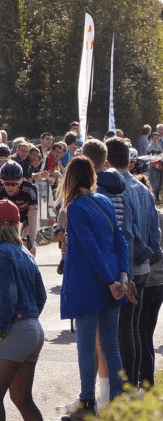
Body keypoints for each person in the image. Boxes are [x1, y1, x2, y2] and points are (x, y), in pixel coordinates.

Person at [58, 155, 128, 421]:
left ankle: (87, 401)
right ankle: (117, 400)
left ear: (70, 179)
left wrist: (110, 281)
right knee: (111, 343)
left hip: (89, 283)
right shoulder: (105, 201)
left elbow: (90, 248)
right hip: (112, 279)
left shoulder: (75, 207)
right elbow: (119, 240)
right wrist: (120, 275)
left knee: (86, 344)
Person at [0, 199, 46, 421]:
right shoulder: (26, 252)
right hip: (34, 329)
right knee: (22, 398)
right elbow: (41, 296)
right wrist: (30, 320)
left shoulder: (0, 255)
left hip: (14, 329)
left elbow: (8, 296)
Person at [105, 138, 162, 388]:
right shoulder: (143, 189)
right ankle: (140, 386)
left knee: (125, 332)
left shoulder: (116, 189)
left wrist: (124, 274)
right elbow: (154, 234)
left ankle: (127, 390)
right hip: (145, 267)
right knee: (136, 331)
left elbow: (125, 236)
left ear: (107, 161)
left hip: (127, 267)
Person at [0, 162, 38, 255]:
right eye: (7, 183)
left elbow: (33, 218)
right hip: (2, 222)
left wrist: (31, 243)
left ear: (20, 181)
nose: (10, 187)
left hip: (23, 221)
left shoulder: (30, 190)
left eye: (14, 184)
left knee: (25, 245)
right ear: (1, 181)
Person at [140, 209, 163, 387]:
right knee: (148, 335)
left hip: (146, 281)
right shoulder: (159, 216)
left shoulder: (140, 215)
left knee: (141, 336)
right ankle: (149, 383)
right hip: (159, 281)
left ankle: (146, 383)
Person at [147, 131, 163, 203]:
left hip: (159, 165)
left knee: (158, 183)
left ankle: (156, 197)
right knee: (153, 183)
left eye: (157, 138)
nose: (156, 139)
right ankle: (152, 198)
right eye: (154, 138)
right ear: (152, 138)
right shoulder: (150, 145)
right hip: (153, 166)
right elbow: (149, 154)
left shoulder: (159, 145)